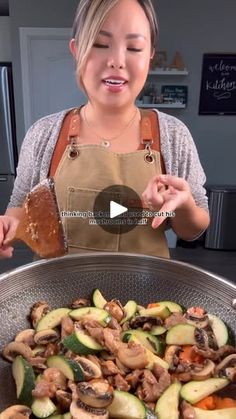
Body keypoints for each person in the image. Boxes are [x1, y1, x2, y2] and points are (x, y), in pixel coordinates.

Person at [0, 0, 209, 259]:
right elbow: (19, 211)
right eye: (100, 44)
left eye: (134, 47)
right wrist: (6, 227)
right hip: (56, 296)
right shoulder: (43, 135)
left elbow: (193, 229)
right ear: (77, 50)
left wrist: (183, 206)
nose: (117, 61)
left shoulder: (174, 136)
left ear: (150, 55)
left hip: (147, 297)